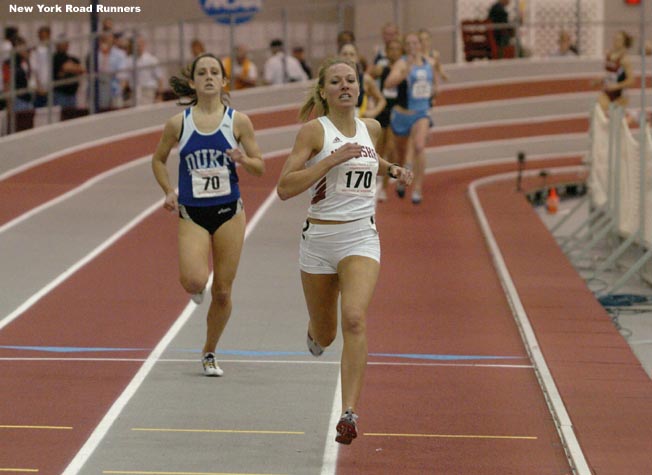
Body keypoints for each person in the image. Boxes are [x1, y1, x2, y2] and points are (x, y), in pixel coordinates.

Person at [276, 57, 412, 445]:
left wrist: (393, 169)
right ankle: (315, 333)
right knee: (327, 333)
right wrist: (330, 160)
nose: (345, 86)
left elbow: (370, 159)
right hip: (319, 241)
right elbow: (285, 187)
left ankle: (349, 412)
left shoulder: (371, 127)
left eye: (351, 80)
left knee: (354, 317)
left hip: (361, 238)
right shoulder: (312, 133)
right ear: (324, 91)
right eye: (336, 81)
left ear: (359, 86)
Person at [151, 53, 265, 377]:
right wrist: (168, 191)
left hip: (230, 211)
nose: (209, 77)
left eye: (215, 72)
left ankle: (210, 350)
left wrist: (242, 158)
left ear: (224, 81)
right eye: (202, 72)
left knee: (224, 291)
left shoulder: (238, 122)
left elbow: (260, 166)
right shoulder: (178, 124)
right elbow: (158, 160)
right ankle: (197, 285)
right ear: (193, 82)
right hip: (193, 213)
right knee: (193, 280)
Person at [385, 32, 436, 204]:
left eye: (415, 43)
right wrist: (403, 74)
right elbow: (388, 83)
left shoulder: (429, 63)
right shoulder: (401, 63)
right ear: (405, 47)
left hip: (421, 113)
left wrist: (431, 101)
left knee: (419, 145)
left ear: (420, 45)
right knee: (400, 154)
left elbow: (434, 87)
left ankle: (418, 189)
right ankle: (402, 179)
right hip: (402, 114)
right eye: (408, 44)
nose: (413, 46)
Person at [374, 38, 404, 202]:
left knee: (391, 148)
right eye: (391, 49)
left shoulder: (404, 69)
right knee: (378, 148)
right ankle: (375, 181)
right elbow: (368, 76)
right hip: (382, 110)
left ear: (401, 52)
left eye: (397, 49)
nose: (394, 52)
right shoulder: (382, 69)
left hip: (397, 111)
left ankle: (383, 187)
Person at [338, 42, 386, 120]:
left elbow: (382, 100)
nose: (348, 57)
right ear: (339, 57)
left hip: (358, 122)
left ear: (357, 58)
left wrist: (373, 112)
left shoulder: (365, 79)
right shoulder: (332, 78)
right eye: (345, 54)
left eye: (351, 54)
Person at [593, 30, 634, 114]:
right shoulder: (608, 55)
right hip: (608, 92)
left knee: (615, 122)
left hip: (620, 95)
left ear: (624, 43)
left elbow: (631, 80)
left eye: (618, 40)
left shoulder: (625, 59)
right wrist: (600, 80)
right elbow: (610, 75)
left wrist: (616, 86)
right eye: (614, 39)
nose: (615, 42)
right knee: (597, 111)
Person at [52, 35, 84, 108]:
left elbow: (82, 69)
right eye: (62, 44)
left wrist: (69, 69)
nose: (65, 45)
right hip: (60, 94)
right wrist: (73, 68)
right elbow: (66, 68)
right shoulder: (55, 57)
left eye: (66, 43)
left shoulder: (73, 58)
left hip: (72, 95)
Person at [2, 36, 33, 111]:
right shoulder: (9, 63)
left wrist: (28, 61)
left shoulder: (23, 62)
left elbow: (28, 78)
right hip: (17, 101)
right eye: (23, 47)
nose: (26, 49)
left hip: (26, 100)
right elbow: (7, 85)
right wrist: (9, 106)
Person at [134, 36, 164, 105]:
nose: (138, 47)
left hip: (148, 90)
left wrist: (160, 96)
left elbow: (160, 78)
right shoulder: (131, 60)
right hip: (136, 91)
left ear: (144, 45)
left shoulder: (151, 59)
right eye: (137, 45)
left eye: (140, 44)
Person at [31, 25, 51, 108]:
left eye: (45, 36)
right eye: (42, 37)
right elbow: (34, 69)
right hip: (40, 87)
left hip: (50, 86)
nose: (44, 38)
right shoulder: (37, 50)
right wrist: (38, 86)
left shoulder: (51, 49)